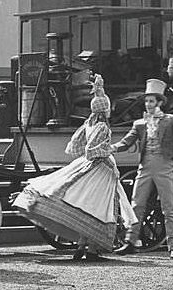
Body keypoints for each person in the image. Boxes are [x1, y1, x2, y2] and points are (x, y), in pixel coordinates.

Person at [13, 74, 135, 260]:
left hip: (88, 166)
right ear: (106, 110)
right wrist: (110, 150)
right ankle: (92, 250)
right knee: (97, 206)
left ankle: (81, 246)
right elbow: (91, 150)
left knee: (85, 203)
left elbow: (75, 146)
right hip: (100, 169)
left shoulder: (88, 124)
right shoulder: (102, 126)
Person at [112, 78, 173, 259]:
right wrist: (112, 147)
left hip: (164, 167)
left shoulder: (170, 120)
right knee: (136, 205)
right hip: (145, 167)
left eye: (152, 101)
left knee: (168, 207)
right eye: (146, 101)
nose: (148, 104)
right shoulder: (139, 124)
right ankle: (130, 242)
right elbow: (126, 142)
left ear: (160, 102)